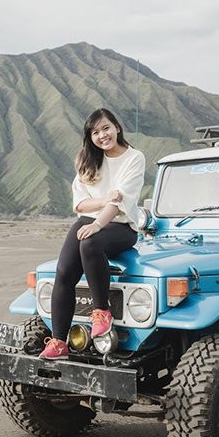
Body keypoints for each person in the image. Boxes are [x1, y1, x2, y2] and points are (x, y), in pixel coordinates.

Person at [39, 108, 146, 360]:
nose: (102, 135)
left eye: (106, 128)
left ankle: (101, 311)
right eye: (95, 132)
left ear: (117, 127)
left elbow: (119, 203)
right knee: (64, 272)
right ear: (90, 137)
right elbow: (79, 205)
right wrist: (103, 200)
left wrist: (97, 223)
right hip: (87, 222)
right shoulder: (89, 160)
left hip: (121, 226)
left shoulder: (134, 158)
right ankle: (58, 342)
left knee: (89, 243)